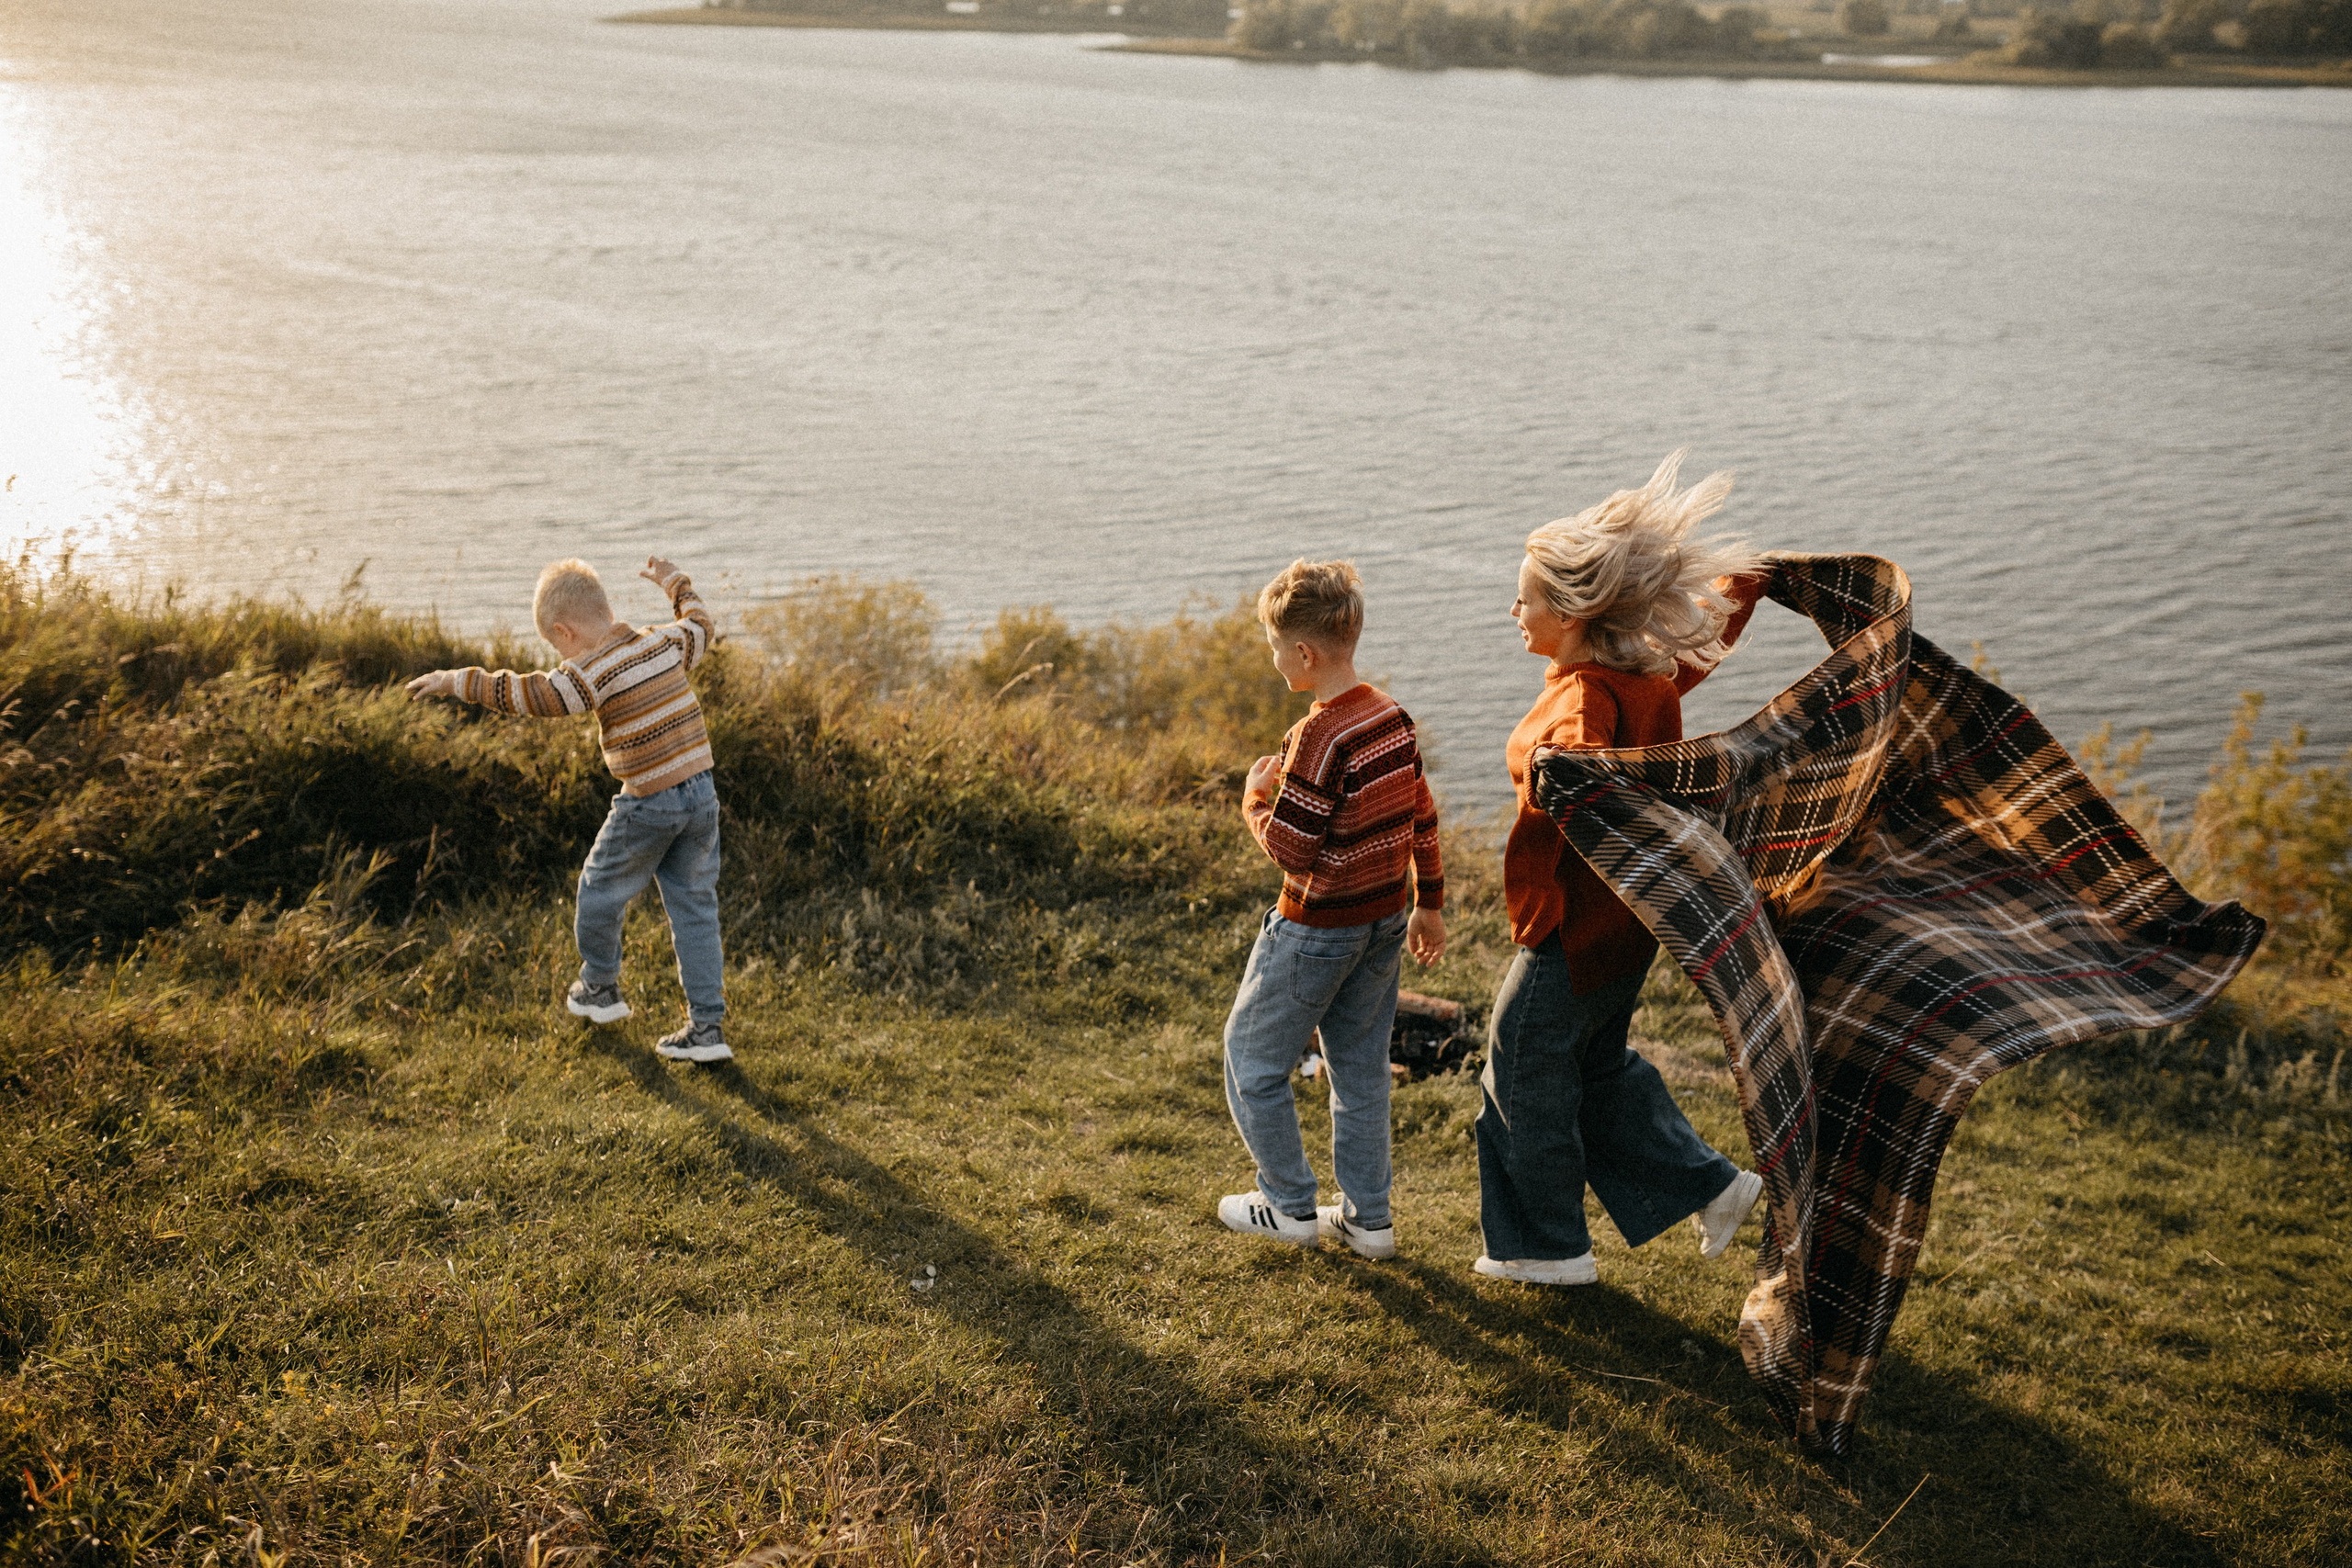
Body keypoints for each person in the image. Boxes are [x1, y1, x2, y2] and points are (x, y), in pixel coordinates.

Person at [1476, 454, 1766, 1285]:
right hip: (1628, 921)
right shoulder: (1644, 677)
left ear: (1568, 611)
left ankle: (1544, 1247)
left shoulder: (1583, 696)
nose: (1514, 609)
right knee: (1592, 1064)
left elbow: (1577, 760)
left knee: (1522, 1056)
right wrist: (1750, 587)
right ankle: (1712, 1188)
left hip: (1573, 921)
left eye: (1525, 597)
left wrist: (1558, 769)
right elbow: (1701, 651)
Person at [406, 556, 731, 1064]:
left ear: (564, 630)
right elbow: (701, 626)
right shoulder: (662, 643)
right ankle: (708, 1029)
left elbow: (527, 693)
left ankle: (600, 989)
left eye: (556, 645)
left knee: (598, 890)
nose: (560, 656)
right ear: (603, 608)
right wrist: (675, 583)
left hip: (649, 801)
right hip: (702, 795)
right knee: (695, 909)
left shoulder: (590, 672)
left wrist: (455, 681)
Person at [1217, 559, 1446, 1260]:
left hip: (1316, 928)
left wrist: (1256, 798)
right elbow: (1423, 817)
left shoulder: (1318, 737)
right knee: (1359, 1068)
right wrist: (1429, 904)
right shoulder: (1391, 717)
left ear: (1305, 653)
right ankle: (1368, 1220)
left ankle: (1287, 1203)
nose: (1274, 657)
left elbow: (1292, 848)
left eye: (1275, 646)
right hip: (1382, 921)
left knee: (1251, 1061)